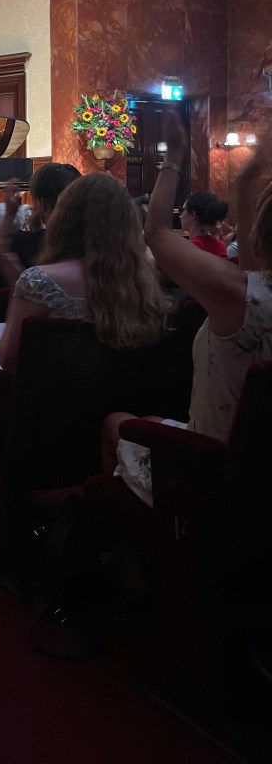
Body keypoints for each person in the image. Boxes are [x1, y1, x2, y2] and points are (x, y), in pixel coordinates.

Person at [0, 172, 170, 499]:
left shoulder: (40, 281)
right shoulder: (143, 284)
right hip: (107, 409)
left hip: (37, 420)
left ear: (65, 220)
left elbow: (9, 360)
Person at [104, 115, 272, 504]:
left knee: (116, 423)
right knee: (149, 422)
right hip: (261, 476)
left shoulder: (239, 295)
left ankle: (133, 537)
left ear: (262, 235)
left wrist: (175, 157)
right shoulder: (247, 291)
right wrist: (246, 183)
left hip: (213, 477)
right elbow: (253, 271)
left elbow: (156, 232)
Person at [179, 190, 229, 258]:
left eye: (182, 210)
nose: (180, 216)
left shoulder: (188, 248)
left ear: (193, 215)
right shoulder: (220, 245)